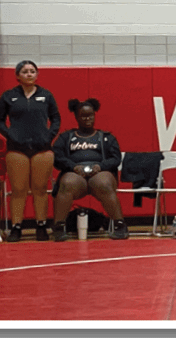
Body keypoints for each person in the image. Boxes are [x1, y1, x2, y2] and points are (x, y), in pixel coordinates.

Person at [0, 60, 61, 242]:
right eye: (25, 71)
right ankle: (16, 227)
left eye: (32, 71)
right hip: (17, 149)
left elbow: (56, 119)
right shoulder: (8, 96)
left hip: (42, 149)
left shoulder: (46, 95)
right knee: (18, 190)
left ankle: (41, 226)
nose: (29, 74)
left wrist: (48, 137)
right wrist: (11, 135)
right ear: (17, 76)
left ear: (37, 75)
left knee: (40, 189)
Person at [50, 98, 127, 240]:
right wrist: (73, 166)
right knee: (66, 184)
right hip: (75, 174)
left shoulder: (105, 137)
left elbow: (116, 159)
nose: (88, 119)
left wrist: (100, 166)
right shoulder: (66, 137)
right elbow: (57, 157)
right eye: (84, 116)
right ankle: (59, 227)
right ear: (76, 117)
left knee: (104, 184)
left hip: (100, 172)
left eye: (91, 115)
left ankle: (120, 225)